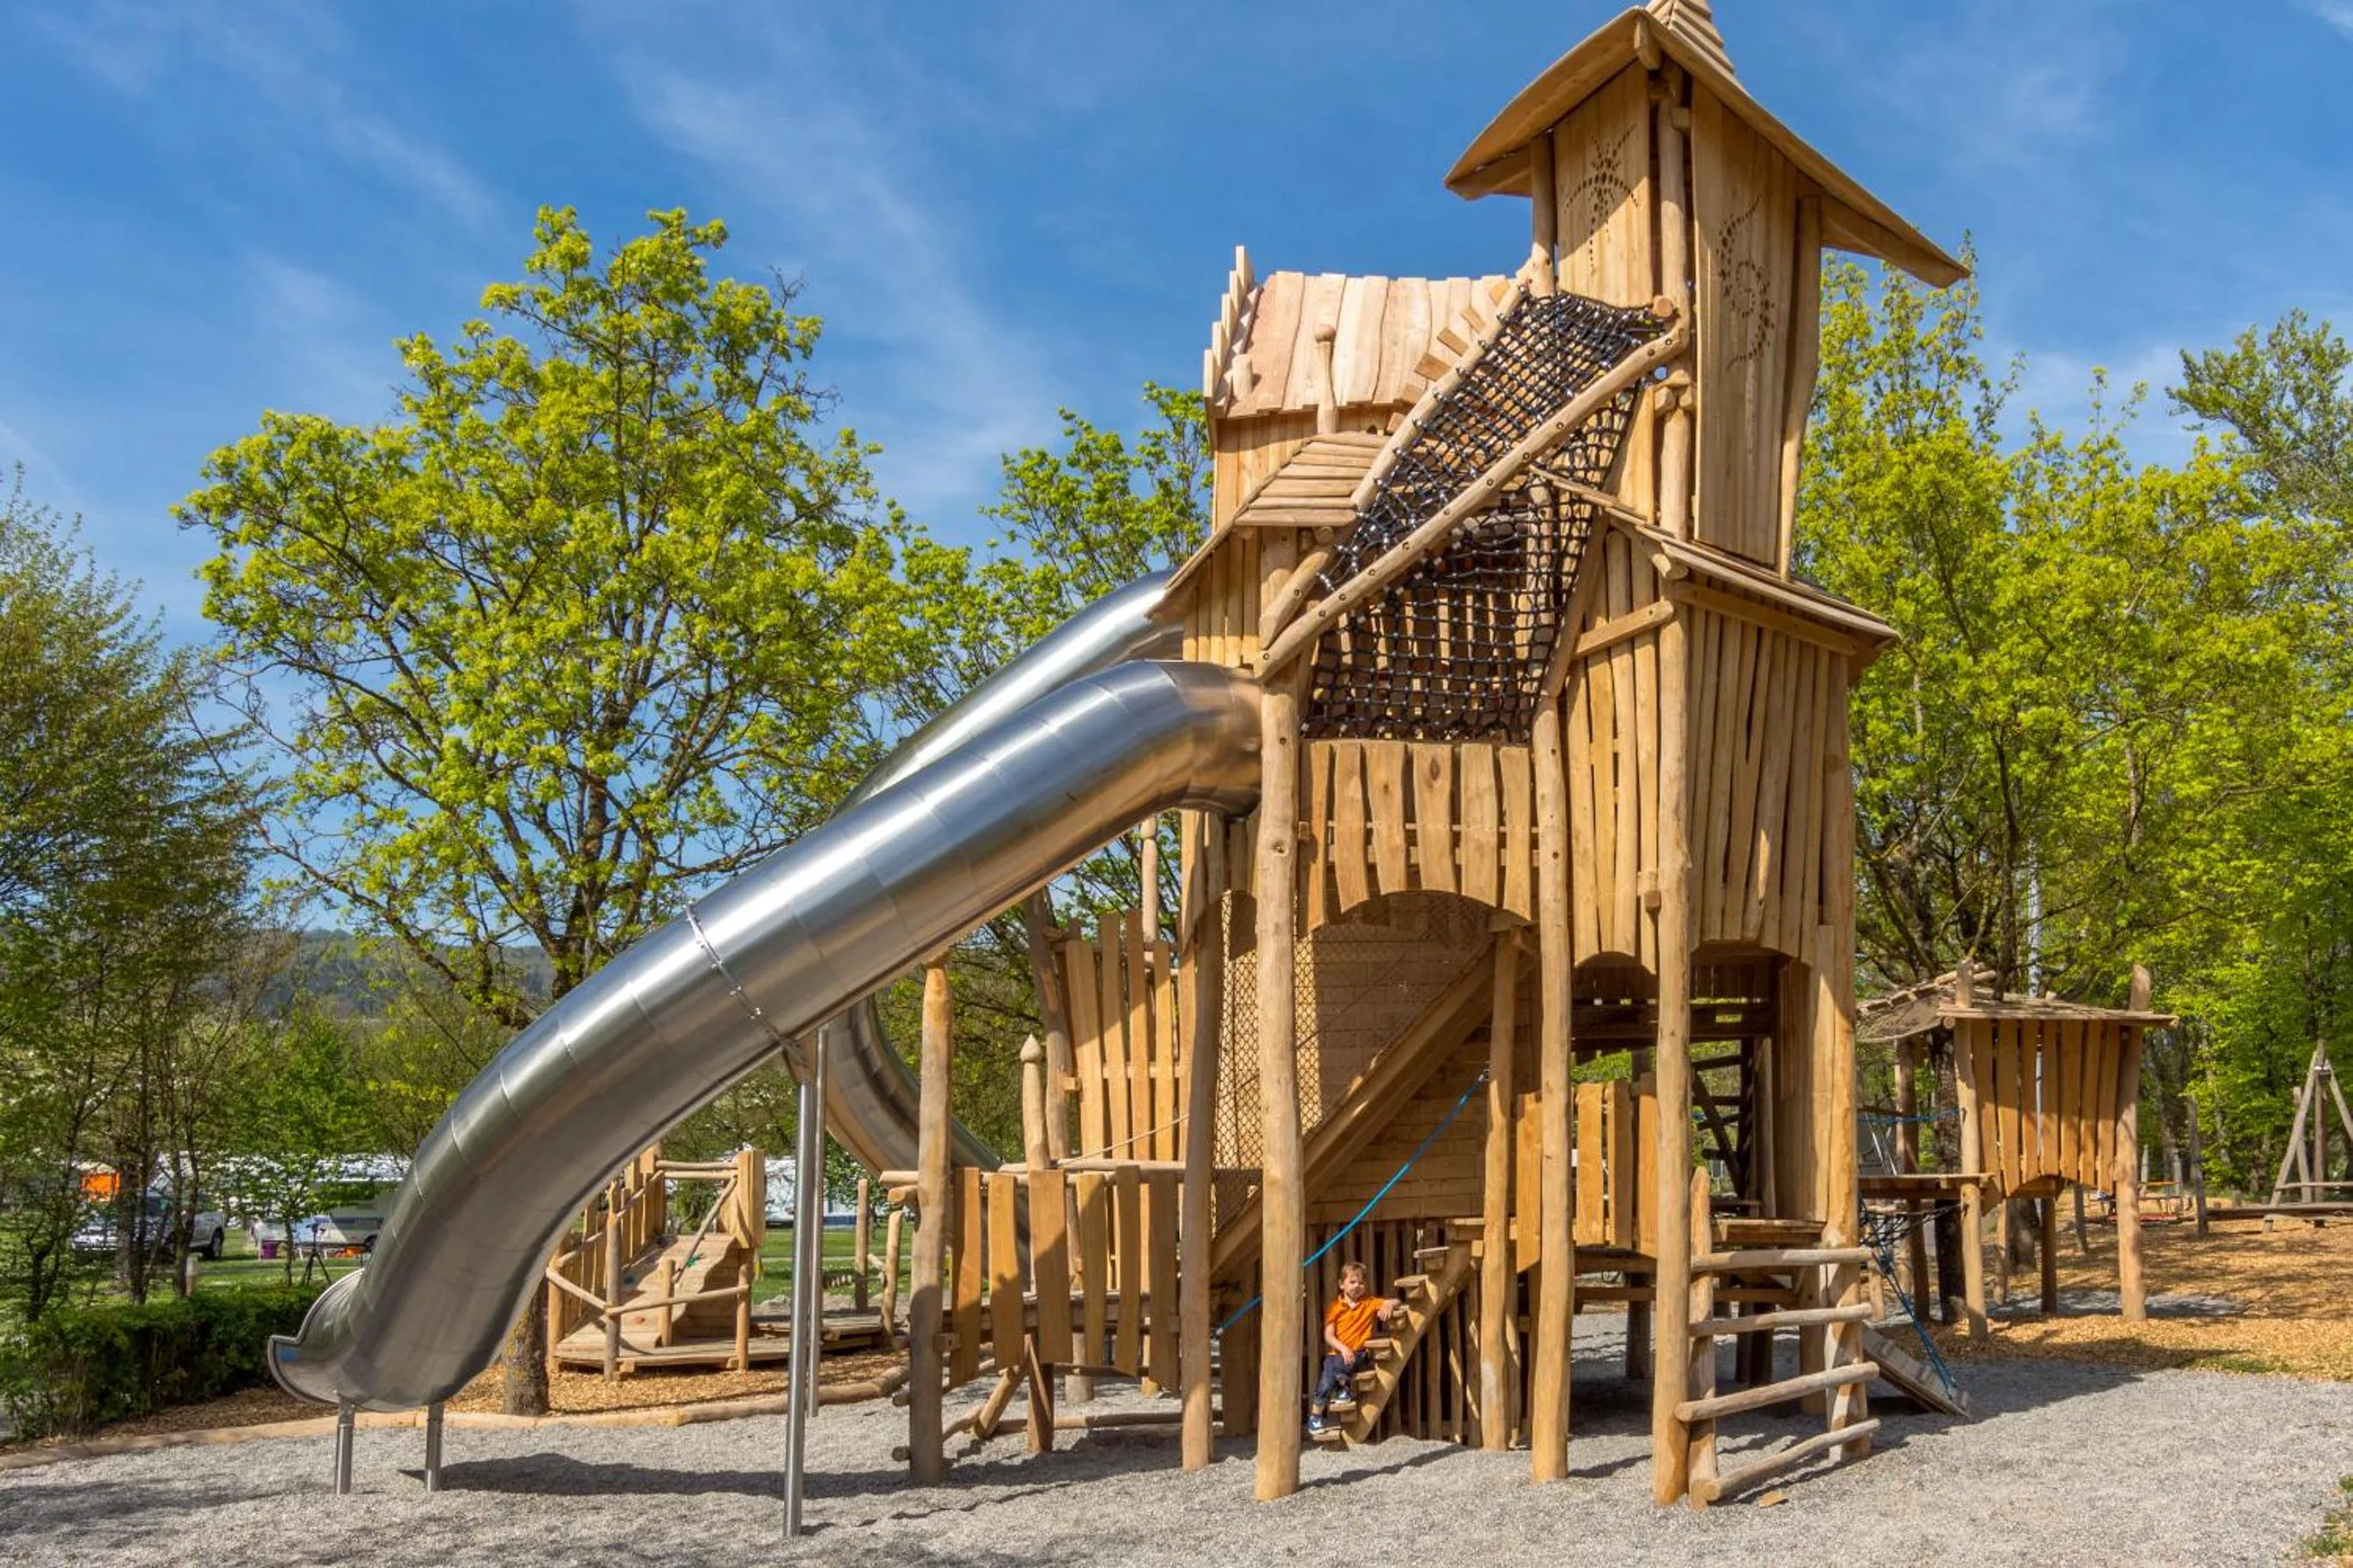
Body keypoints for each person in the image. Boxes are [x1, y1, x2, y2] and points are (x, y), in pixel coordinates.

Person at [1308, 1260, 1402, 1434]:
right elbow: (1328, 1335)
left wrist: (1388, 1304)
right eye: (1352, 1282)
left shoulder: (1369, 1303)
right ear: (1341, 1285)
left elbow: (1396, 1300)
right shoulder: (1335, 1307)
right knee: (1325, 1382)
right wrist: (1343, 1348)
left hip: (1358, 1354)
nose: (1357, 1286)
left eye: (1361, 1283)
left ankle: (1342, 1388)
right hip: (1336, 1354)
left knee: (1344, 1363)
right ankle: (1316, 1417)